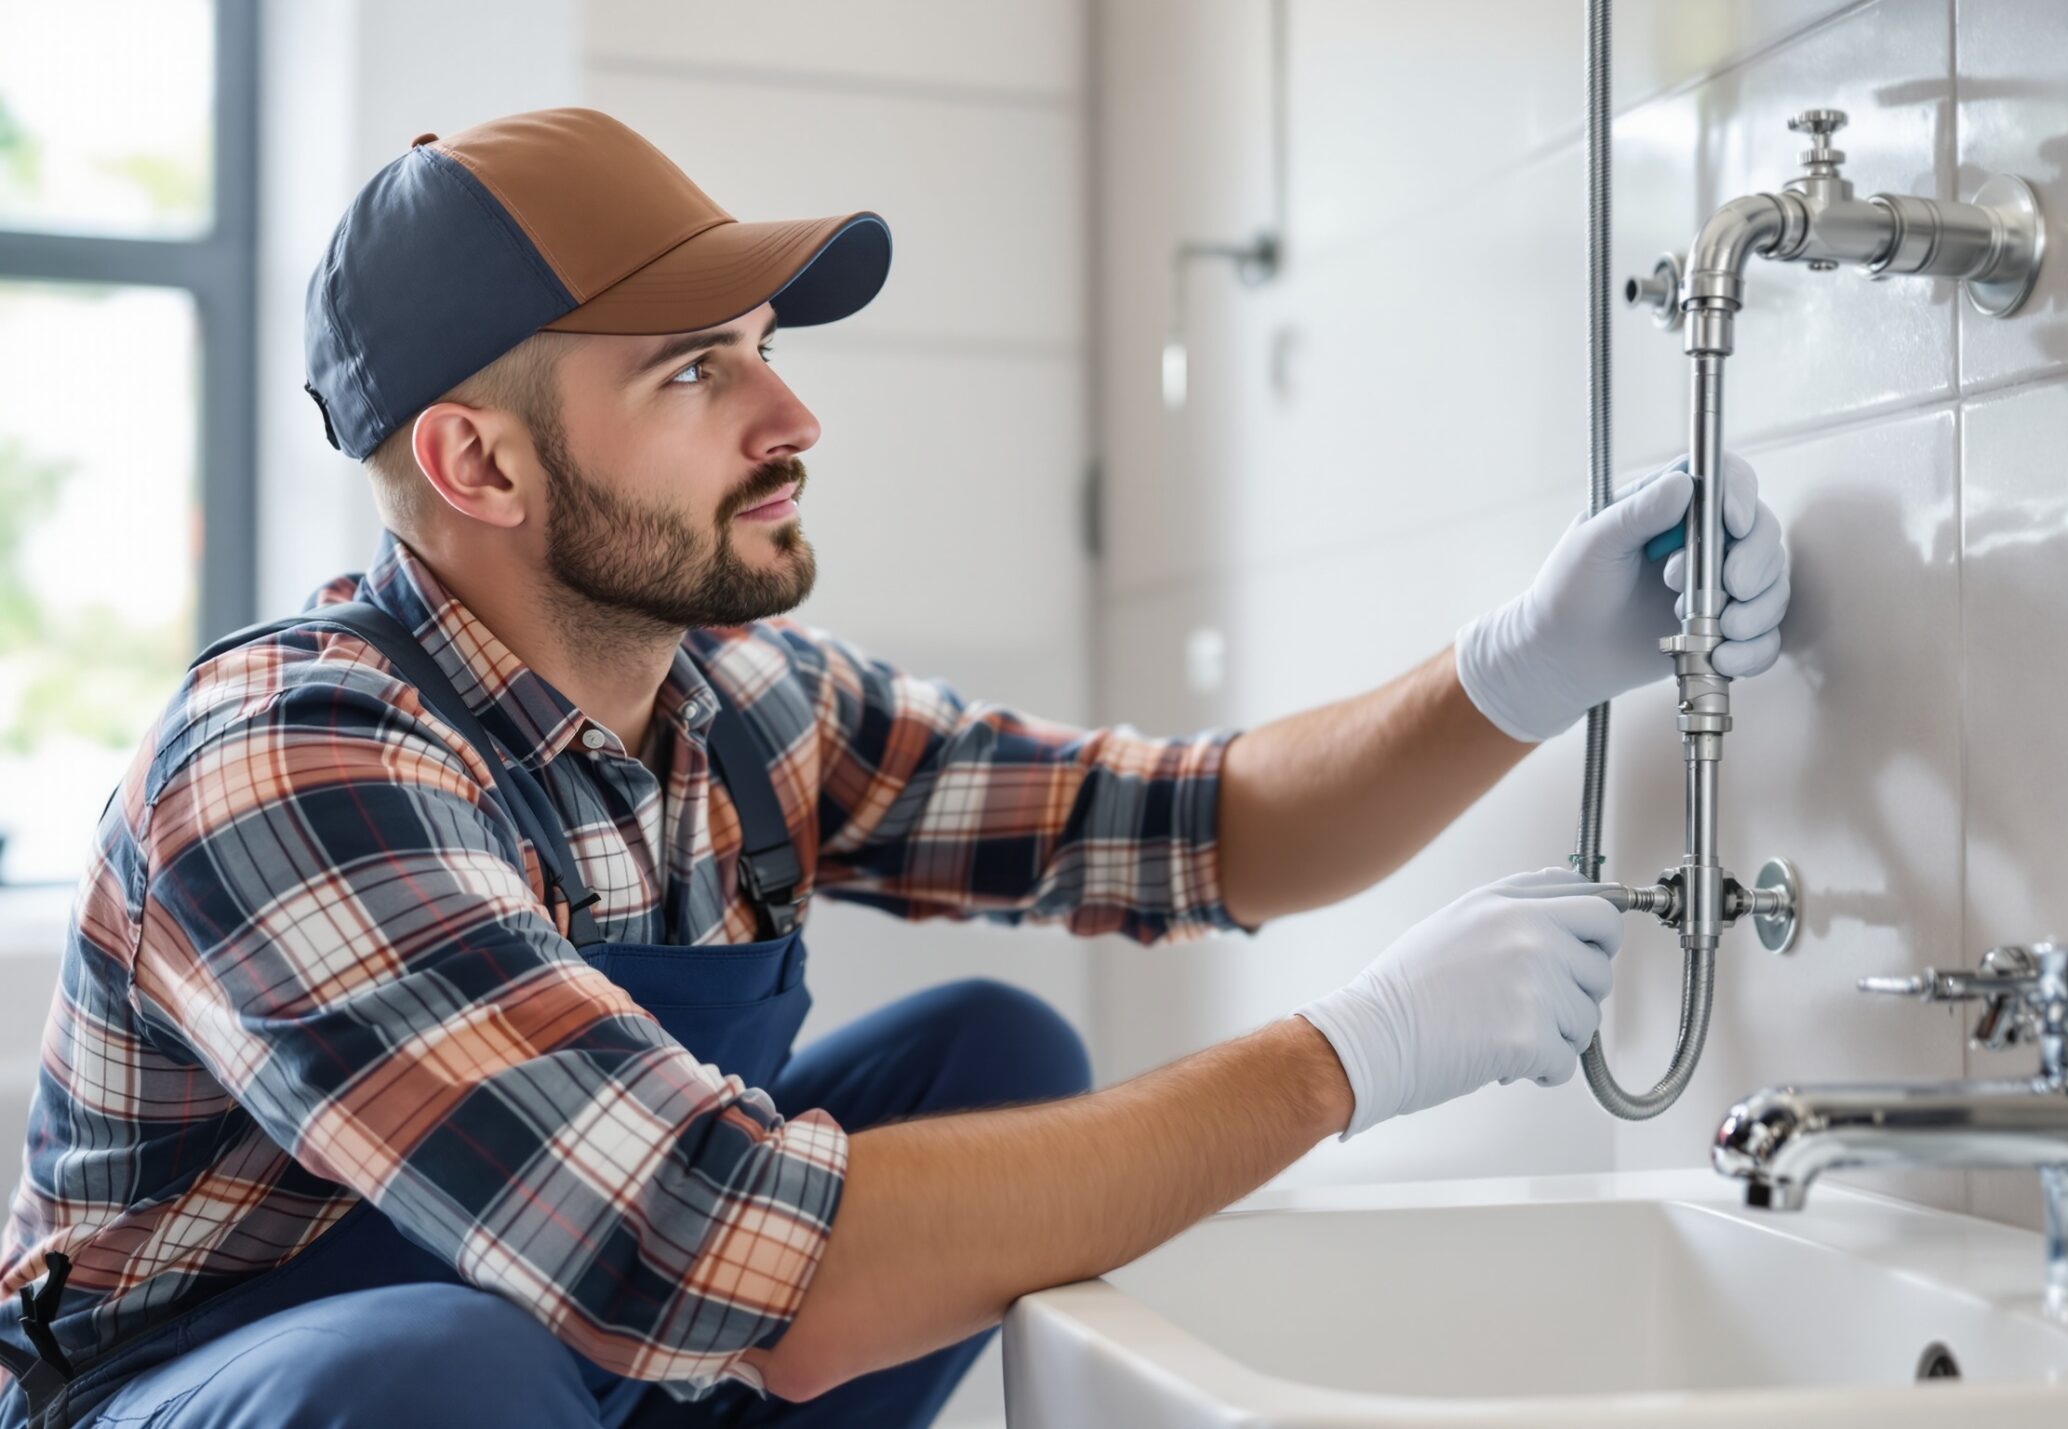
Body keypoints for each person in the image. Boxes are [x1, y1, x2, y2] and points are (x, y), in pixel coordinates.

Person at [0, 108, 1788, 1429]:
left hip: (579, 1352)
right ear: (478, 460)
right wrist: (1351, 1058)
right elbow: (725, 1254)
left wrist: (1526, 667)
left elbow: (1194, 827)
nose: (793, 420)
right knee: (433, 1373)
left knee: (994, 1062)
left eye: (765, 355)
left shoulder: (743, 705)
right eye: (700, 372)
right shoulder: (289, 767)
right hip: (256, 1389)